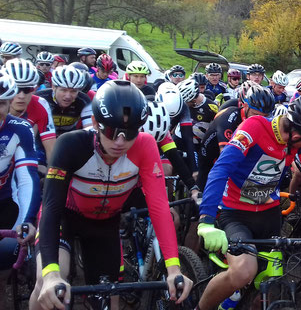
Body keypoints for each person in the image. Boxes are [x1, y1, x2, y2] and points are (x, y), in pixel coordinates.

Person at [31, 80, 193, 310]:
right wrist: (50, 274)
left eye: (129, 133)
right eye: (112, 131)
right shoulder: (70, 144)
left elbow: (158, 206)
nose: (120, 141)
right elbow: (51, 207)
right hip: (65, 217)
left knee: (108, 300)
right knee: (47, 286)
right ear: (96, 122)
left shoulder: (145, 146)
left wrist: (173, 268)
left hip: (105, 223)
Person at [196, 94, 301, 310]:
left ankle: (236, 298)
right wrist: (206, 220)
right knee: (243, 270)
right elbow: (221, 169)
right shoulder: (254, 127)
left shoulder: (300, 144)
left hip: (269, 215)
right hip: (235, 213)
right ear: (296, 132)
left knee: (267, 276)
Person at [196, 86, 275, 190]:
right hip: (212, 155)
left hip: (238, 150)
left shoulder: (264, 120)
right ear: (245, 106)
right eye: (255, 114)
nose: (259, 119)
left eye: (264, 116)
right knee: (206, 193)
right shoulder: (229, 116)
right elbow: (225, 154)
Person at [0, 74, 40, 264]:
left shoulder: (20, 129)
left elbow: (26, 180)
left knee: (6, 264)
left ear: (9, 105)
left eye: (1, 104)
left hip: (4, 205)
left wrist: (27, 220)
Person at [3, 58, 56, 163]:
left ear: (35, 89)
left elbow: (51, 148)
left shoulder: (41, 104)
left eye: (27, 90)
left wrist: (51, 176)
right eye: (16, 89)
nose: (21, 96)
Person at [36, 66, 92, 137]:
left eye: (73, 91)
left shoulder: (84, 100)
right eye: (63, 90)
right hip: (41, 139)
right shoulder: (41, 98)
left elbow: (89, 129)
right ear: (53, 87)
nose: (68, 96)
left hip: (68, 139)